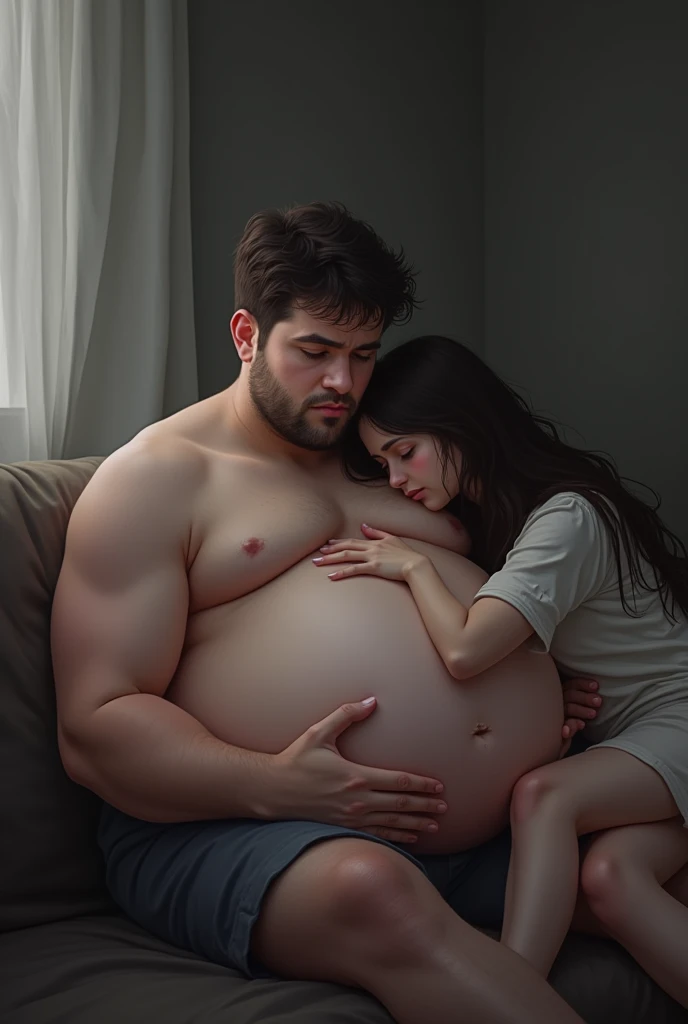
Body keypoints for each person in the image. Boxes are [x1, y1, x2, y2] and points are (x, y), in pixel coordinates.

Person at [51, 202, 586, 1024]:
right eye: (314, 351)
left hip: (485, 813)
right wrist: (277, 786)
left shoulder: (388, 451)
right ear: (245, 334)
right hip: (228, 823)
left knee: (646, 858)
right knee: (374, 890)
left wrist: (558, 683)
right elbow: (96, 724)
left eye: (363, 353)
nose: (342, 381)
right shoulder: (157, 481)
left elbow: (535, 576)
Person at [328, 333, 688, 1007]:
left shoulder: (567, 517)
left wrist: (412, 565)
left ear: (463, 424)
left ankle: (507, 994)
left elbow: (466, 652)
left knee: (543, 797)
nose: (398, 480)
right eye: (383, 463)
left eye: (406, 453)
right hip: (641, 731)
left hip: (680, 716)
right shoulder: (507, 523)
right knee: (610, 877)